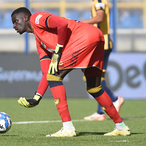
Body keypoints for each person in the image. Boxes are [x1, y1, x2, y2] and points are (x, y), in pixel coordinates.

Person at [11, 7, 131, 137]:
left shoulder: (37, 18)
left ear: (25, 18)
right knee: (94, 88)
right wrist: (37, 97)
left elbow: (61, 24)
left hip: (84, 37)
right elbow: (47, 73)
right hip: (96, 36)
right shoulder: (40, 42)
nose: (14, 26)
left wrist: (58, 50)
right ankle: (121, 127)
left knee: (55, 77)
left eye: (16, 21)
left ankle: (68, 128)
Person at [81, 0, 124, 121]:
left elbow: (99, 18)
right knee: (97, 78)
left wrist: (81, 23)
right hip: (101, 44)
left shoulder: (100, 2)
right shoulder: (97, 1)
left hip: (102, 44)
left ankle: (114, 99)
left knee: (92, 76)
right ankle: (101, 111)